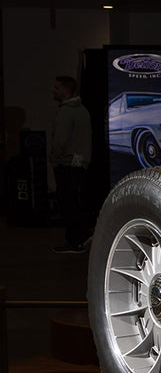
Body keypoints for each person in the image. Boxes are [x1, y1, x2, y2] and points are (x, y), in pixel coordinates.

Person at [50, 75, 91, 253]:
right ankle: (80, 236)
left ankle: (74, 241)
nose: (53, 91)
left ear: (66, 90)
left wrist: (54, 157)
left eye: (57, 88)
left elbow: (60, 140)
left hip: (67, 164)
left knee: (68, 203)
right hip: (79, 163)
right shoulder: (82, 110)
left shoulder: (66, 112)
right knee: (74, 201)